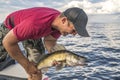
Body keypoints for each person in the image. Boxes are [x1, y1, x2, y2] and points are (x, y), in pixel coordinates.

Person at [0, 7, 89, 80]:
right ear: (64, 20)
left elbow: (49, 41)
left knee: (37, 68)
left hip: (33, 32)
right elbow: (8, 42)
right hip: (11, 27)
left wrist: (53, 54)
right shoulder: (34, 24)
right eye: (74, 30)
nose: (73, 34)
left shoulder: (59, 26)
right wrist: (27, 66)